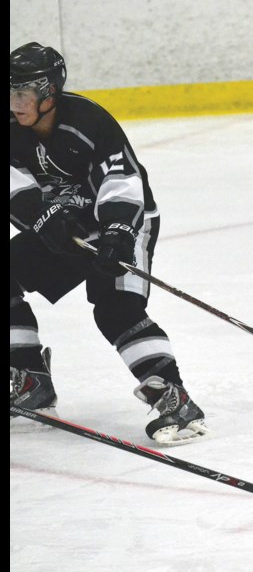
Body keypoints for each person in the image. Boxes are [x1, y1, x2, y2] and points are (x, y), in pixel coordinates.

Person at [9, 42, 209, 446]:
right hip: (62, 223)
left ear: (49, 92)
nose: (14, 103)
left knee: (116, 307)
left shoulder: (88, 120)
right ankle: (31, 382)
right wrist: (43, 217)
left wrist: (118, 232)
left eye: (22, 93)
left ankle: (175, 400)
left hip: (122, 222)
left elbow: (122, 181)